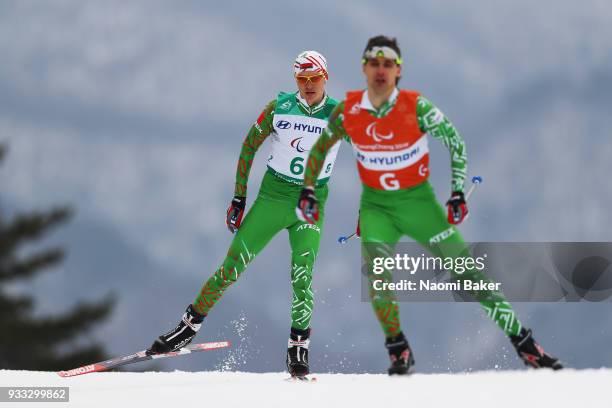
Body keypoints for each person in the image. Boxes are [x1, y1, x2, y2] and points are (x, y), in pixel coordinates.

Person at [296, 35, 562, 374]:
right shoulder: (348, 110)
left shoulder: (416, 106)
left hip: (419, 205)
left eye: (388, 64)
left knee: (468, 275)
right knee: (378, 278)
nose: (381, 71)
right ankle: (398, 350)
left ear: (398, 70)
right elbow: (319, 150)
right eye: (375, 63)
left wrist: (457, 193)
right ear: (364, 67)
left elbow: (455, 142)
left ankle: (525, 344)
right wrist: (308, 191)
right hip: (377, 208)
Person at [147, 51, 341, 378]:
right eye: (302, 80)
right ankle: (186, 329)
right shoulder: (279, 107)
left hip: (310, 204)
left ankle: (298, 348)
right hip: (274, 197)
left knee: (303, 275)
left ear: (326, 78)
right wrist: (239, 197)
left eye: (314, 79)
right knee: (232, 265)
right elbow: (248, 147)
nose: (308, 86)